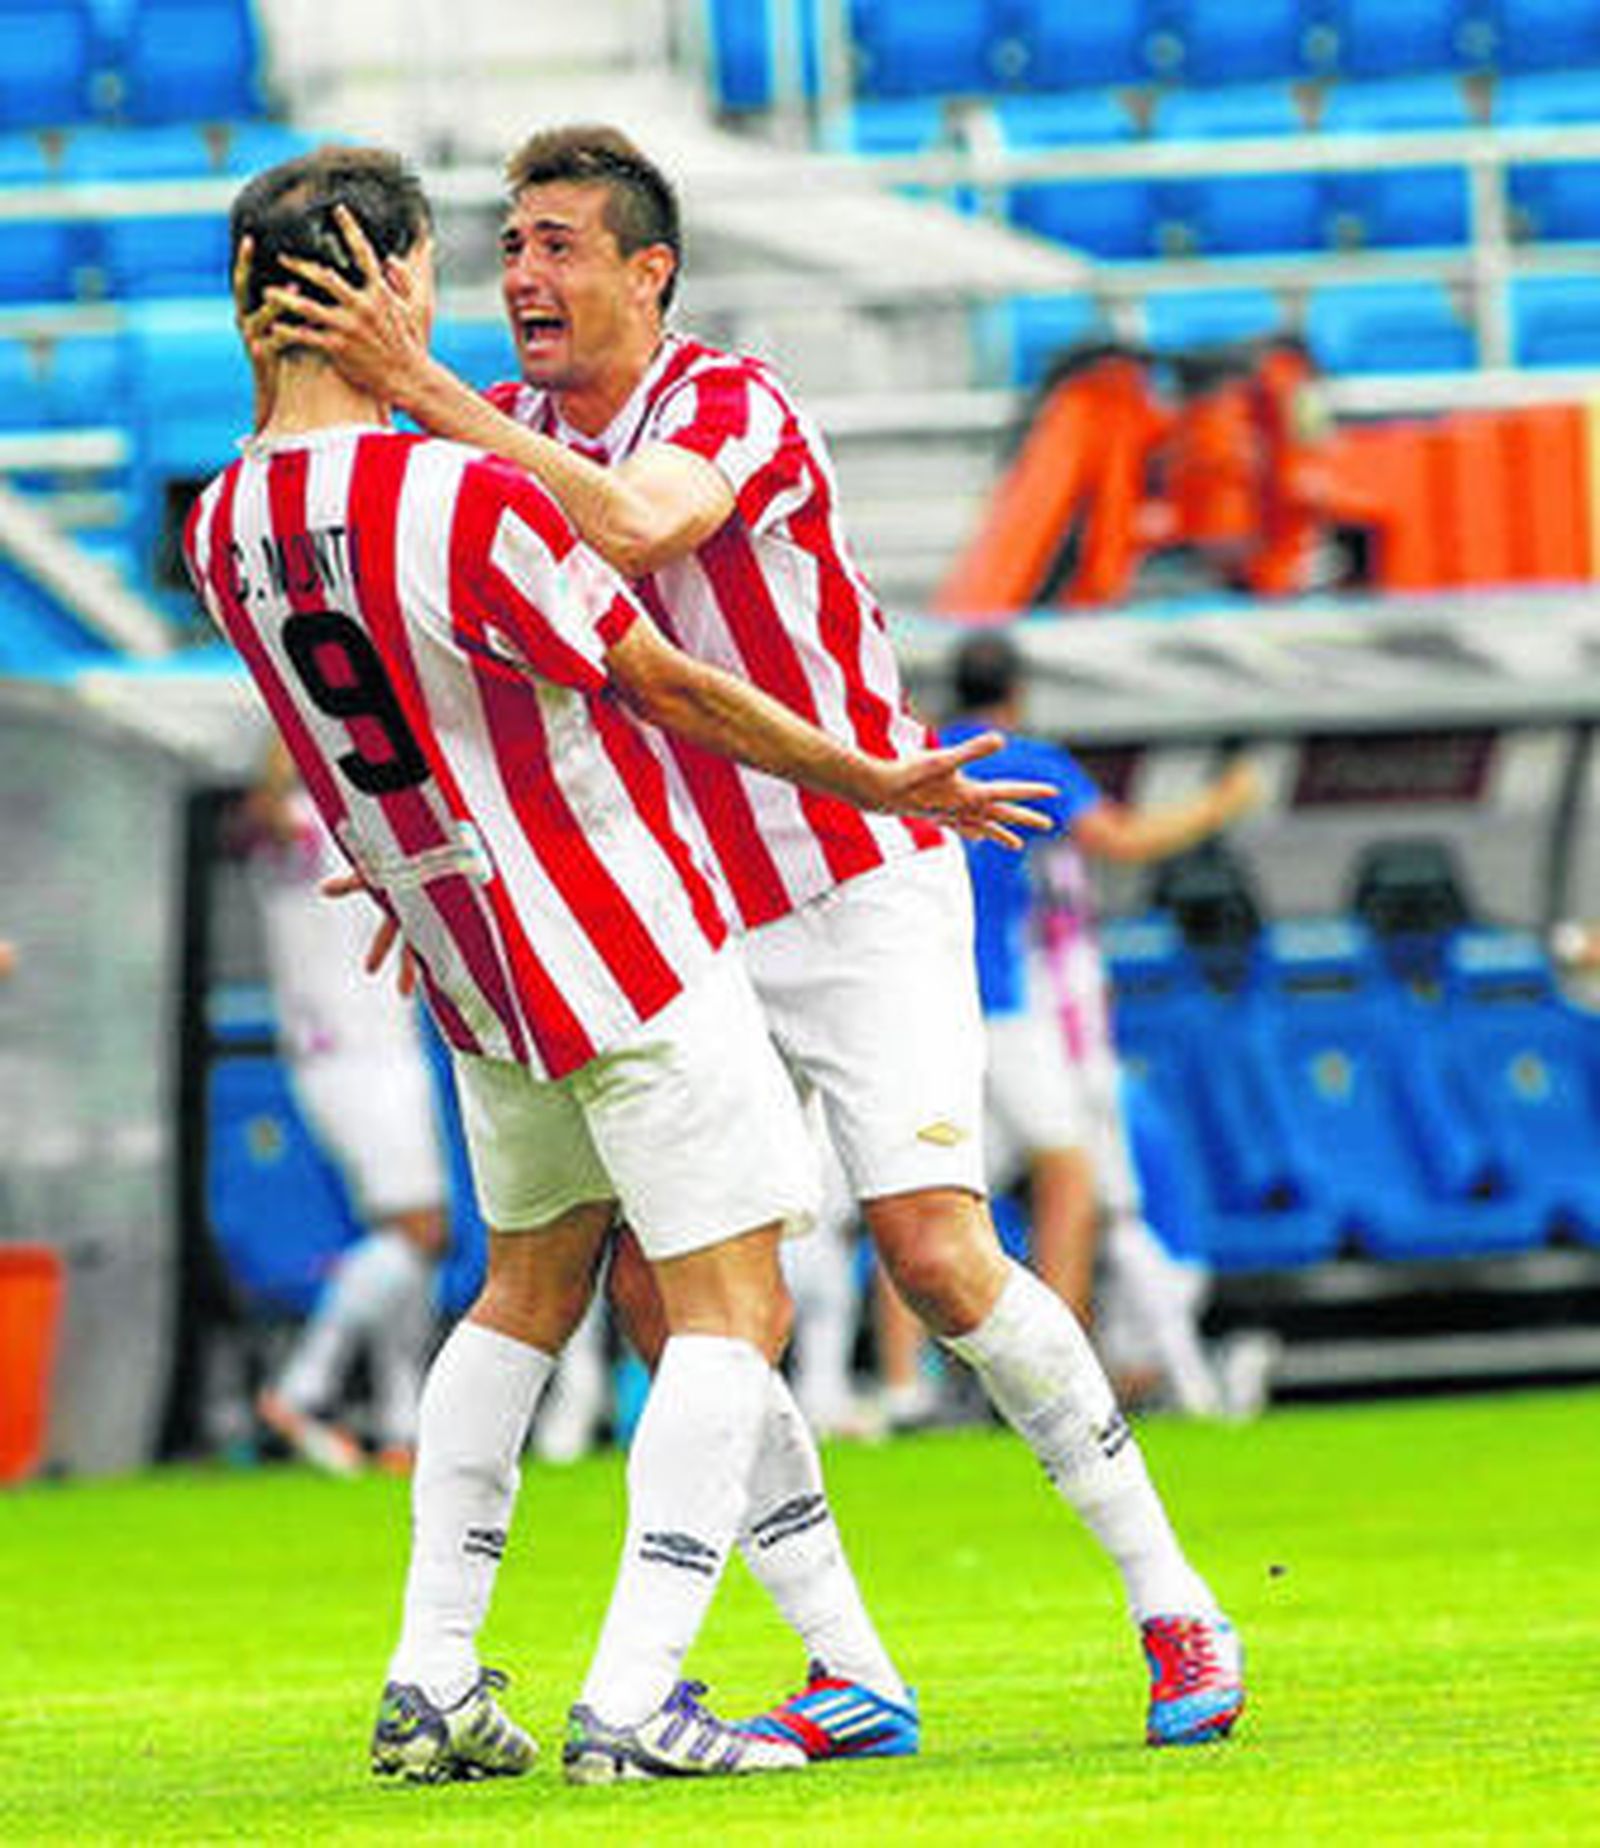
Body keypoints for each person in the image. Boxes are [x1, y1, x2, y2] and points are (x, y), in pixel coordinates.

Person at [269, 125, 1247, 1750]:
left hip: (858, 875)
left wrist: (421, 391)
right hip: (681, 910)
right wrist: (410, 867)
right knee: (678, 1285)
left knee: (933, 1250)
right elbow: (459, 682)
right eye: (511, 244)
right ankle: (848, 1662)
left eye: (563, 245)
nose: (524, 276)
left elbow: (643, 532)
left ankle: (1174, 1600)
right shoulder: (496, 433)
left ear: (651, 272)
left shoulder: (727, 403)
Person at [937, 629, 1264, 1418]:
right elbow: (1121, 839)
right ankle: (1055, 1372)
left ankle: (912, 1384)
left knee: (928, 1195)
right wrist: (1222, 801)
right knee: (1070, 1174)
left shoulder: (922, 751)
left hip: (922, 1000)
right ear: (1016, 692)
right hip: (1000, 1003)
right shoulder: (1027, 760)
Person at [239, 738, 450, 1475]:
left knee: (403, 1240)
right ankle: (304, 1390)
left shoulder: (363, 823)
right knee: (425, 1232)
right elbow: (262, 814)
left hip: (377, 1048)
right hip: (351, 1055)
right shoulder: (295, 826)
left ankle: (403, 1424)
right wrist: (282, 723)